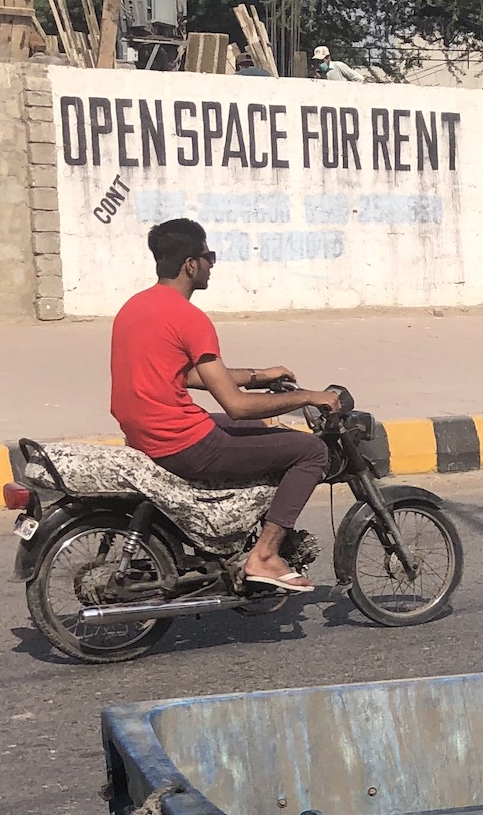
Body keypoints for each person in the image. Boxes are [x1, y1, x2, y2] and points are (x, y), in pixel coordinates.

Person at [111, 217, 341, 593]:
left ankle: (241, 532)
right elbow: (237, 406)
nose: (212, 265)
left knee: (263, 429)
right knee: (311, 451)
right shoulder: (189, 318)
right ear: (190, 264)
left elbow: (187, 375)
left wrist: (258, 375)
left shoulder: (135, 307)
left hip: (147, 432)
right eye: (209, 257)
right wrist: (308, 396)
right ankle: (264, 555)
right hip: (184, 444)